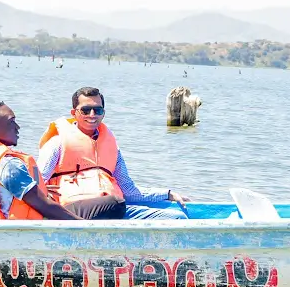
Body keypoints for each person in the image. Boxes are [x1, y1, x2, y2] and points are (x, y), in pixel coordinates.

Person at [37, 86, 189, 219]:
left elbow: (129, 191)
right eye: (85, 110)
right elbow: (36, 184)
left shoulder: (113, 149)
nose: (92, 115)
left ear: (103, 113)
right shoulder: (57, 144)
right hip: (71, 212)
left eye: (97, 110)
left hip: (113, 209)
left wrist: (168, 194)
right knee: (114, 202)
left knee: (177, 217)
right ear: (74, 113)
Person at [0, 101, 79, 220]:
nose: (17, 127)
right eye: (11, 122)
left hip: (0, 223)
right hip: (25, 229)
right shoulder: (9, 165)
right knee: (99, 207)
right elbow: (44, 206)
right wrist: (83, 226)